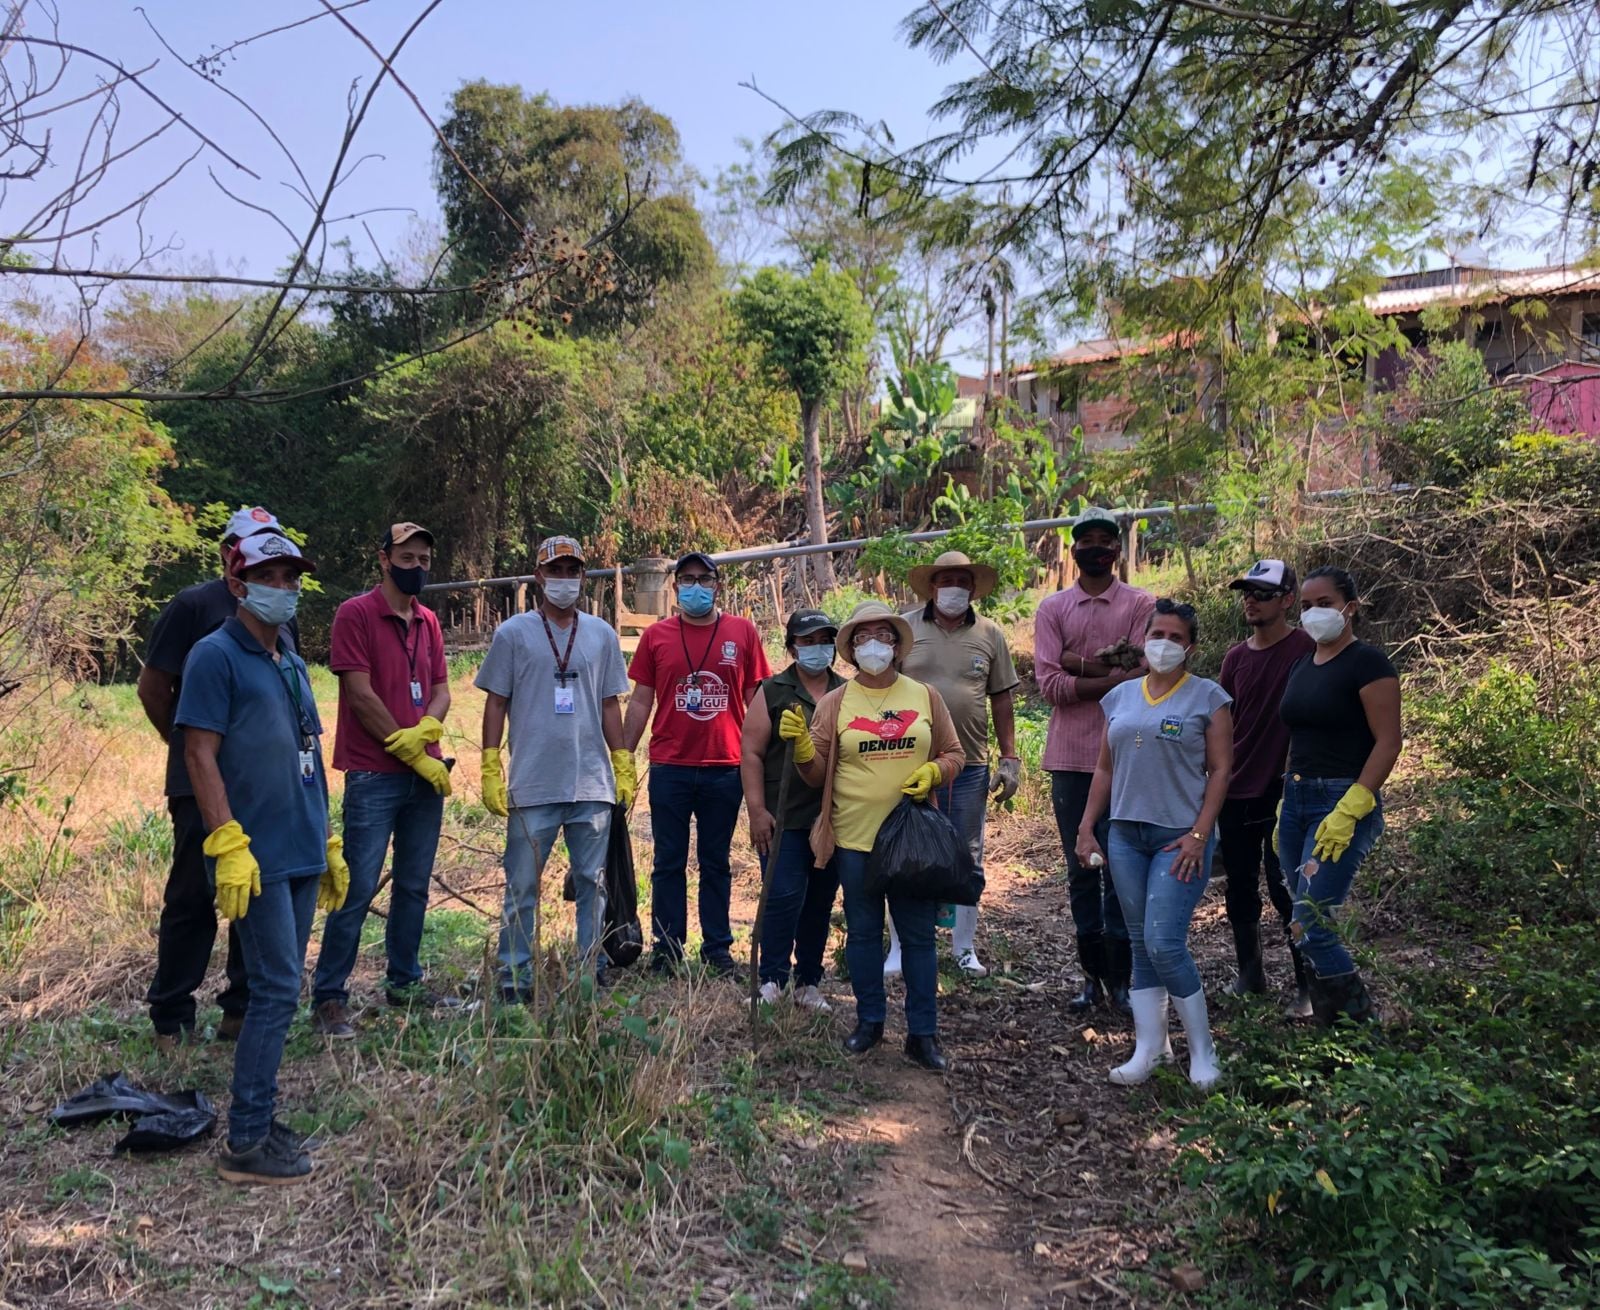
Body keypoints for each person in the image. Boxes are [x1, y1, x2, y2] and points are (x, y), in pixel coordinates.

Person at [175, 531, 348, 1183]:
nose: (285, 589)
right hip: (257, 852)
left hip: (301, 847)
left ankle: (260, 1115)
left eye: (292, 578)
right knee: (274, 988)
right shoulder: (214, 656)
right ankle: (246, 1141)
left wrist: (326, 839)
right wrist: (225, 842)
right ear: (240, 583)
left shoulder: (293, 662)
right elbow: (198, 753)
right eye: (271, 577)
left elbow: (307, 751)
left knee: (283, 987)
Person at [136, 505, 302, 1052]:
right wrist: (190, 748)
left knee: (254, 891)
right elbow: (154, 689)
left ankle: (240, 1007)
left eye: (277, 555)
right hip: (198, 779)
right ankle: (172, 1015)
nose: (274, 579)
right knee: (192, 895)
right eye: (254, 551)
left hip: (264, 783)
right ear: (231, 557)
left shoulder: (283, 614)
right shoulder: (194, 607)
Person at [782, 600, 965, 1072]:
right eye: (862, 638)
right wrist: (804, 748)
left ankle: (922, 1034)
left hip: (911, 842)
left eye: (883, 636)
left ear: (898, 645)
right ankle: (870, 1022)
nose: (873, 645)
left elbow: (954, 753)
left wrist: (934, 771)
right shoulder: (835, 703)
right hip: (854, 839)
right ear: (851, 649)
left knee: (919, 938)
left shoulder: (925, 697)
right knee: (863, 933)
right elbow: (816, 773)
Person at [1077, 599, 1233, 1089]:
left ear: (1190, 645)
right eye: (1156, 634)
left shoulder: (1209, 698)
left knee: (1165, 942)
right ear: (1142, 639)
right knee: (1142, 944)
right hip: (1125, 835)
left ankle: (1203, 1053)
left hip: (1178, 838)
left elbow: (1221, 770)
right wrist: (1087, 826)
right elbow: (1104, 768)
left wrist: (1199, 834)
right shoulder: (1120, 697)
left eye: (1174, 637)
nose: (1163, 644)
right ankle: (1151, 1050)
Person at [310, 523, 453, 1036]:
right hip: (374, 773)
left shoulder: (429, 622)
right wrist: (407, 748)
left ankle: (404, 982)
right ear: (384, 558)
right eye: (407, 557)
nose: (415, 567)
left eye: (423, 559)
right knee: (357, 884)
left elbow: (440, 688)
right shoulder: (355, 614)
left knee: (413, 886)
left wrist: (429, 729)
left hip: (425, 774)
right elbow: (360, 693)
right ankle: (329, 995)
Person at [475, 536, 634, 998]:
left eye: (573, 571)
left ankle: (591, 967)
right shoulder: (513, 634)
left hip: (591, 783)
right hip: (534, 782)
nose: (565, 580)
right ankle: (514, 977)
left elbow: (609, 704)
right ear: (539, 576)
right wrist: (489, 763)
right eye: (556, 571)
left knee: (593, 883)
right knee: (522, 887)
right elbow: (496, 702)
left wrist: (621, 759)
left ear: (583, 577)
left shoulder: (601, 635)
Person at [622, 551, 772, 978]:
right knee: (668, 860)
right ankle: (667, 948)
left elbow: (755, 700)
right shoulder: (657, 637)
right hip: (669, 765)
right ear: (675, 587)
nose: (695, 587)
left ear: (717, 584)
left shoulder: (741, 632)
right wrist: (622, 755)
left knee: (716, 861)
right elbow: (640, 699)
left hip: (725, 766)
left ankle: (717, 949)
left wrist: (768, 756)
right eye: (686, 579)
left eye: (703, 579)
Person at [1033, 507, 1155, 1014]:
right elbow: (1049, 684)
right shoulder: (1052, 609)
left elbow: (1147, 670)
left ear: (1118, 549)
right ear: (1074, 549)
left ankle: (1121, 977)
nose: (1096, 548)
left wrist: (1079, 666)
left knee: (1123, 868)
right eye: (1088, 541)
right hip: (1070, 759)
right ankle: (1091, 978)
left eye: (1106, 540)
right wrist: (1111, 671)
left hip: (1129, 757)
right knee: (1082, 868)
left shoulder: (1141, 603)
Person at [1277, 566, 1402, 1027]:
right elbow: (1299, 734)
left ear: (1350, 606)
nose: (1313, 613)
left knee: (1310, 924)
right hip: (1296, 801)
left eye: (1324, 604)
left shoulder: (1368, 664)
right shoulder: (1301, 665)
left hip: (1340, 801)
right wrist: (1284, 798)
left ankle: (1358, 1029)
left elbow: (1388, 741)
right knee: (1300, 921)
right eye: (1306, 605)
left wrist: (1354, 804)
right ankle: (1333, 1029)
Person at [896, 550, 1021, 978]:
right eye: (946, 580)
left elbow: (1002, 698)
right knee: (908, 848)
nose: (954, 589)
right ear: (932, 587)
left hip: (968, 766)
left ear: (973, 589)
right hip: (909, 760)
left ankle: (963, 948)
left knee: (966, 854)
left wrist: (1010, 758)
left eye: (963, 582)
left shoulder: (990, 634)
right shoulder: (907, 629)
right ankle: (902, 947)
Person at [1217, 560, 1318, 1015]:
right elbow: (1224, 724)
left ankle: (1307, 985)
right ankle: (1250, 974)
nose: (1251, 599)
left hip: (1286, 790)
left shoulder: (1308, 649)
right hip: (1237, 789)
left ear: (1288, 599)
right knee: (1239, 887)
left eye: (1262, 592)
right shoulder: (1235, 659)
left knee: (1287, 887)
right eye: (1247, 592)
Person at [740, 609, 845, 1010]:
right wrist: (756, 810)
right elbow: (750, 752)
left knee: (819, 900)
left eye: (824, 640)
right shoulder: (773, 690)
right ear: (791, 648)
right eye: (807, 641)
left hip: (829, 819)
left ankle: (808, 981)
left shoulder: (845, 691)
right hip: (783, 816)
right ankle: (772, 977)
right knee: (782, 895)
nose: (817, 648)